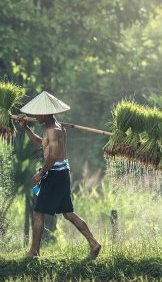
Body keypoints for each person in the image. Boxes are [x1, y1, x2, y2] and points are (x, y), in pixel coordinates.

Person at [17, 91, 102, 259]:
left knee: (39, 211)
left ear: (47, 113)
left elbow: (53, 156)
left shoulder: (54, 130)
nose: (35, 116)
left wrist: (41, 174)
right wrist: (26, 128)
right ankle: (94, 243)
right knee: (68, 213)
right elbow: (41, 145)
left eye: (38, 113)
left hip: (55, 174)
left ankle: (34, 252)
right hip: (60, 173)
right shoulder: (51, 128)